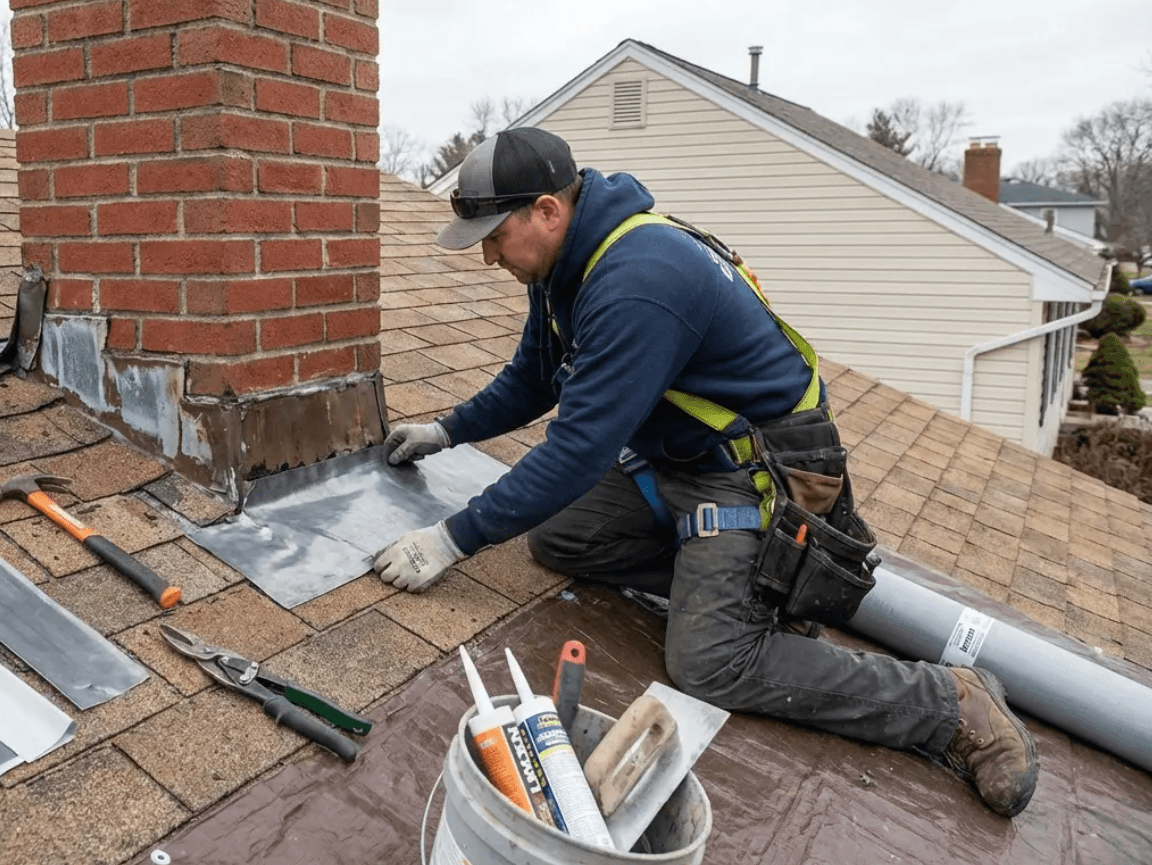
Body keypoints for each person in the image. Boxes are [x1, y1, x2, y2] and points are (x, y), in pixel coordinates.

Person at [370, 127, 1040, 817]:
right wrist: (447, 429)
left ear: (546, 210)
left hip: (761, 477)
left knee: (709, 661)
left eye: (492, 234)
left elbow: (576, 451)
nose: (485, 255)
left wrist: (450, 538)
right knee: (557, 536)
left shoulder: (639, 278)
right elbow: (533, 379)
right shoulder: (561, 269)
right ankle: (748, 589)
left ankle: (950, 704)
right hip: (679, 462)